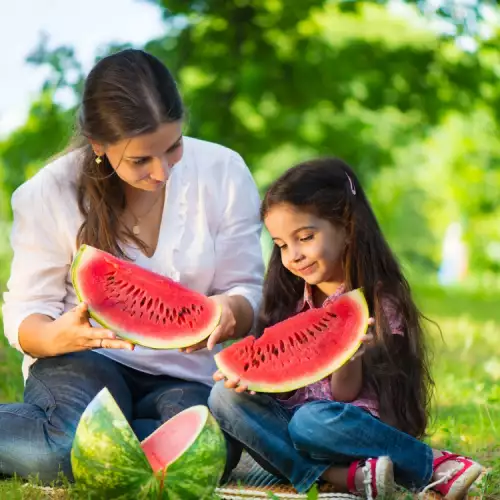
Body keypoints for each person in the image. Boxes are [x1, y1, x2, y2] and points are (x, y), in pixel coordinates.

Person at [0, 49, 264, 483]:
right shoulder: (47, 193)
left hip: (186, 374)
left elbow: (246, 286)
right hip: (84, 361)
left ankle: (103, 442)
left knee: (199, 455)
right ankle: (72, 438)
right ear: (99, 146)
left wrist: (233, 310)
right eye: (141, 160)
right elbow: (26, 310)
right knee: (70, 451)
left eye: (173, 147)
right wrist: (52, 334)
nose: (162, 171)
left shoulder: (223, 171)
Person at [208, 158, 482, 500]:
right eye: (280, 245)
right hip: (291, 440)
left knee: (311, 422)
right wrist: (250, 381)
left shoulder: (379, 305)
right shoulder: (290, 302)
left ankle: (436, 465)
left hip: (348, 433)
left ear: (348, 227)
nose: (292, 256)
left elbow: (344, 396)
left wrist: (347, 356)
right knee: (223, 397)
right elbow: (280, 386)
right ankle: (342, 479)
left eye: (305, 237)